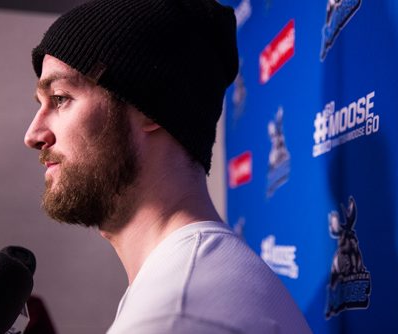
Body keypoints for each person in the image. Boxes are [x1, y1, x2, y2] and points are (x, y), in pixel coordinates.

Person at [24, 0, 312, 333]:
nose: (33, 135)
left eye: (61, 98)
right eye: (40, 104)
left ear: (148, 108)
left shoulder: (176, 316)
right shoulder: (192, 281)